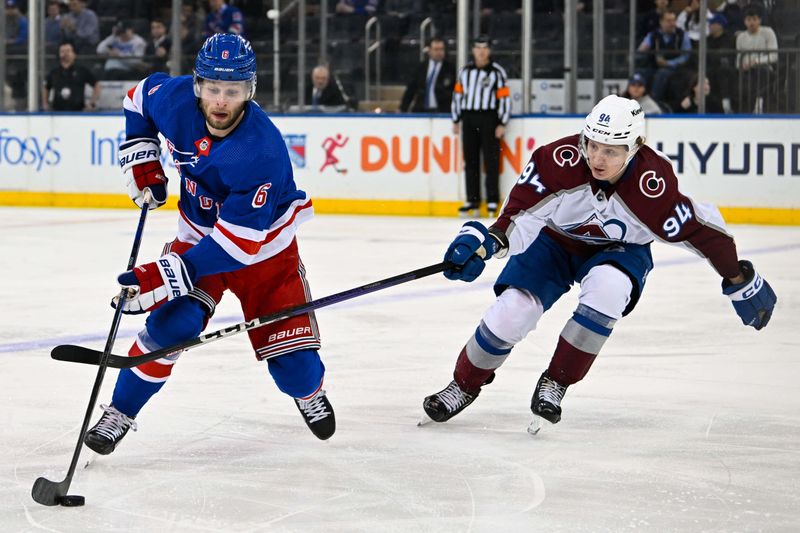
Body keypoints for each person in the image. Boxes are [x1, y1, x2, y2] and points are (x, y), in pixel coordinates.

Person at [422, 94, 776, 431]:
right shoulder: (556, 161)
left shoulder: (651, 185)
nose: (597, 158)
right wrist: (486, 243)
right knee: (513, 310)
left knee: (609, 290)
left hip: (620, 250)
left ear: (634, 148)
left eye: (610, 151)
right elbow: (517, 218)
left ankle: (556, 382)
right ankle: (464, 384)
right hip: (555, 243)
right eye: (592, 145)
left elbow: (699, 230)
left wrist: (738, 278)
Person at [83, 33, 335, 456]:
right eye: (213, 89)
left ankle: (308, 392)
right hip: (198, 235)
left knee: (294, 371)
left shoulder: (262, 150)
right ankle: (121, 410)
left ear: (249, 91)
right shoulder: (176, 99)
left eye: (233, 91)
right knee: (170, 327)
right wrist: (141, 151)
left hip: (265, 253)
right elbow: (136, 99)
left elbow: (238, 246)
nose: (221, 101)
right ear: (198, 85)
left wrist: (166, 273)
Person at [451, 35, 510, 218]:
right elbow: (458, 96)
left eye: (485, 47)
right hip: (468, 118)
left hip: (489, 118)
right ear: (473, 50)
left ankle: (492, 199)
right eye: (478, 47)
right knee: (471, 160)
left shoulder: (497, 72)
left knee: (491, 161)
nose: (481, 51)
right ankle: (472, 199)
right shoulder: (465, 71)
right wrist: (456, 119)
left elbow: (504, 99)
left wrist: (502, 122)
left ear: (489, 50)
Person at [637, 11, 691, 103]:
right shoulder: (653, 35)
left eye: (674, 20)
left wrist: (669, 63)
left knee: (661, 74)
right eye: (669, 21)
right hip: (654, 66)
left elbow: (686, 56)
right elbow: (641, 50)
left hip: (675, 68)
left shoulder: (682, 35)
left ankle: (654, 103)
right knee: (640, 74)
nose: (672, 24)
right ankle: (635, 103)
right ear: (661, 22)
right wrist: (643, 49)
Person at [736, 5, 778, 114]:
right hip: (746, 69)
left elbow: (774, 55)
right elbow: (738, 58)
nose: (752, 23)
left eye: (754, 19)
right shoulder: (741, 37)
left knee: (762, 72)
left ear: (759, 20)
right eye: (749, 20)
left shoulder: (768, 32)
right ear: (744, 21)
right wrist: (741, 65)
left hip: (763, 68)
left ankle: (759, 104)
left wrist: (756, 61)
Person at [399, 37, 456, 113]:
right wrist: (403, 108)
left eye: (441, 49)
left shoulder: (451, 69)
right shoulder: (421, 67)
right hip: (421, 110)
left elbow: (456, 90)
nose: (439, 52)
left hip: (443, 111)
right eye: (436, 49)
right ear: (429, 51)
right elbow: (411, 89)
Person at [42, 41, 101, 111]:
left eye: (68, 51)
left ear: (74, 54)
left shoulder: (82, 71)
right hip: (57, 113)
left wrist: (92, 103)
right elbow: (46, 87)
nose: (65, 54)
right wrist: (45, 104)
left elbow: (96, 85)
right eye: (62, 51)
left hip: (78, 113)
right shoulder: (54, 72)